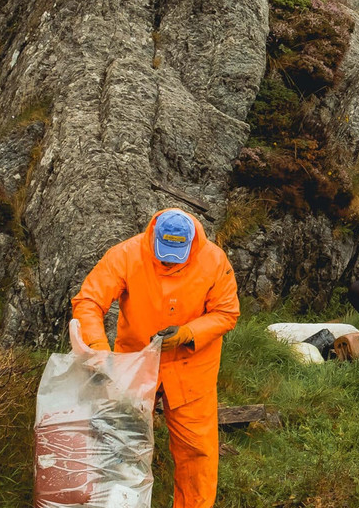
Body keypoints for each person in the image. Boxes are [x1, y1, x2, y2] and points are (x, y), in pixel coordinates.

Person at [72, 208, 239, 508]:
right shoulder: (125, 255)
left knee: (198, 453)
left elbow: (227, 313)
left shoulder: (214, 261)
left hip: (192, 369)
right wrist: (99, 350)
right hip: (134, 365)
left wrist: (188, 333)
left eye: (176, 255)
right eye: (163, 254)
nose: (168, 262)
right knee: (123, 444)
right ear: (153, 237)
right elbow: (88, 302)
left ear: (192, 244)